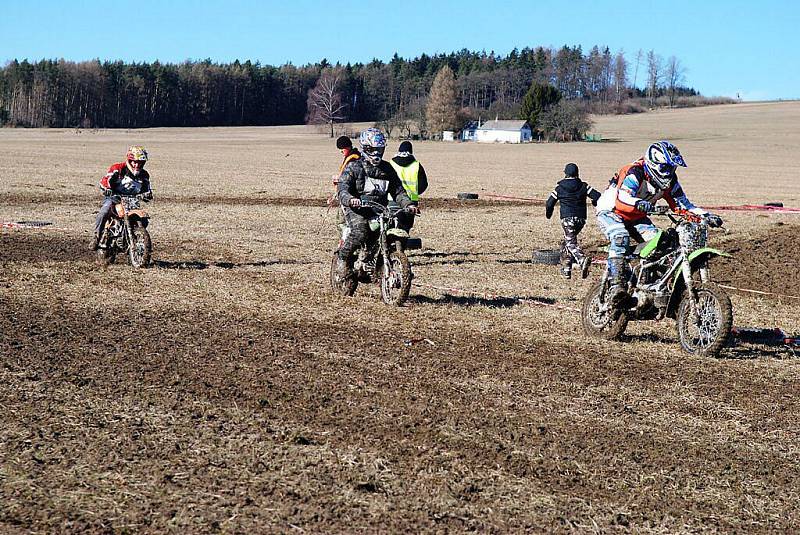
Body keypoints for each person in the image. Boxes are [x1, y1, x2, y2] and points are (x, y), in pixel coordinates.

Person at [595, 141, 723, 303]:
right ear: (653, 163)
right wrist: (638, 203)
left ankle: (647, 284)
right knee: (620, 237)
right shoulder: (635, 171)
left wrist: (706, 215)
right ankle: (616, 286)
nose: (669, 172)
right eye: (665, 168)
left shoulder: (670, 182)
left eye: (672, 168)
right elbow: (622, 198)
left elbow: (682, 205)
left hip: (637, 216)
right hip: (611, 211)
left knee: (660, 243)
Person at [335, 128, 417, 278]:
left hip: (379, 209)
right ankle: (342, 259)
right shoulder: (355, 166)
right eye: (373, 149)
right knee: (360, 231)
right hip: (356, 208)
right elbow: (343, 188)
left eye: (379, 149)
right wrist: (350, 199)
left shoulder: (387, 169)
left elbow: (398, 191)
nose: (377, 153)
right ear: (366, 148)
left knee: (388, 229)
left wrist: (408, 205)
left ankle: (379, 265)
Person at [545, 163, 600, 279]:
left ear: (565, 173)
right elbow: (597, 196)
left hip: (567, 219)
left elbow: (549, 203)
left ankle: (581, 259)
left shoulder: (559, 188)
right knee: (567, 242)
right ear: (577, 173)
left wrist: (548, 215)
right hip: (580, 219)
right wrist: (594, 203)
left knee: (571, 243)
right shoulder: (584, 186)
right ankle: (566, 269)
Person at [93, 145, 153, 249]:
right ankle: (96, 237)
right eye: (135, 161)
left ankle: (133, 241)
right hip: (114, 198)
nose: (137, 165)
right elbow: (106, 180)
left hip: (132, 201)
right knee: (103, 213)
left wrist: (147, 194)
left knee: (144, 220)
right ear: (129, 161)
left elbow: (146, 188)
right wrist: (107, 188)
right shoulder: (118, 168)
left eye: (140, 162)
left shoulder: (144, 175)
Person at [388, 140, 428, 232]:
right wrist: (415, 192)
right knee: (405, 227)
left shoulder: (391, 163)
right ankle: (403, 243)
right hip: (411, 201)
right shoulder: (417, 165)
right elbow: (423, 185)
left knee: (390, 224)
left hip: (392, 199)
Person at [331, 136, 361, 230]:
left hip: (350, 194)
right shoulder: (350, 156)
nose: (341, 152)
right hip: (347, 193)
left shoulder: (354, 159)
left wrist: (338, 179)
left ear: (347, 147)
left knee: (343, 223)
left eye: (342, 150)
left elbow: (351, 177)